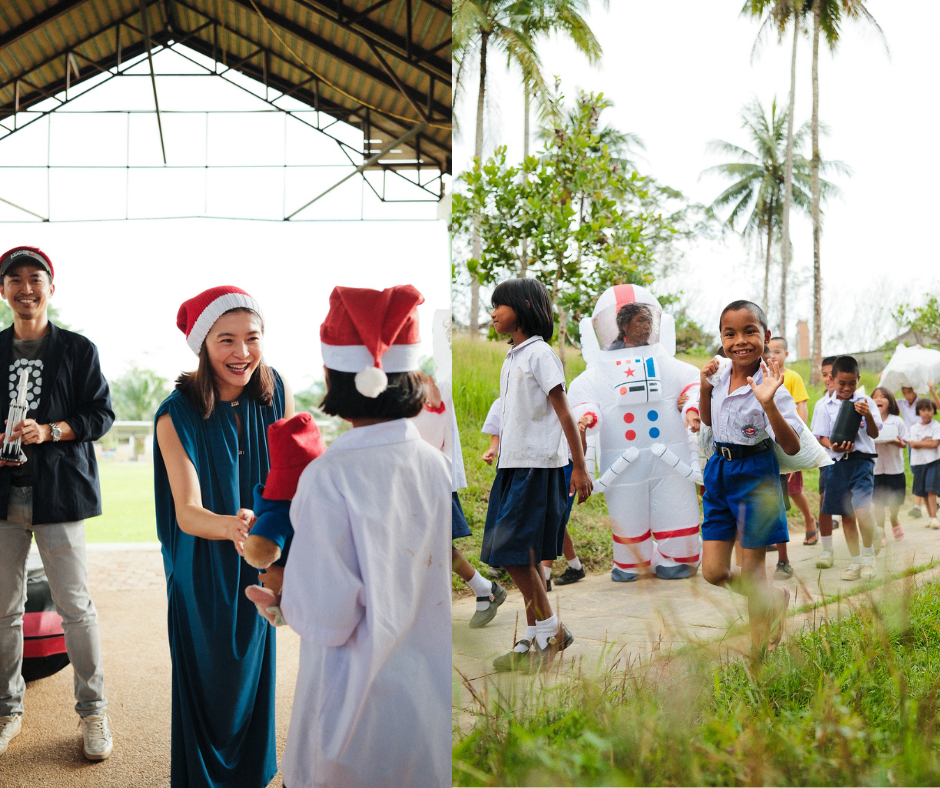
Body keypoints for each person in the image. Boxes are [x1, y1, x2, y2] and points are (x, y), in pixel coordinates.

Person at [248, 284, 451, 788]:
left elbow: (326, 614)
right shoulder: (434, 465)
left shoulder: (329, 474)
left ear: (332, 377)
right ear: (413, 380)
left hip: (353, 702)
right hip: (429, 699)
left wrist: (276, 580)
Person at [153, 285, 293, 787]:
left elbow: (290, 474)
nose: (242, 353)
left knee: (252, 684)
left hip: (259, 560)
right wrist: (237, 527)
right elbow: (188, 513)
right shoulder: (176, 413)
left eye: (251, 338)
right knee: (213, 691)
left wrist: (272, 546)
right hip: (203, 570)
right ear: (202, 345)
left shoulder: (273, 389)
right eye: (226, 340)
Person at [0, 246, 115, 761]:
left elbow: (100, 415)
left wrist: (49, 430)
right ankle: (8, 710)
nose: (26, 288)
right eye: (15, 280)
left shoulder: (77, 349)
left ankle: (93, 713)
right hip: (3, 499)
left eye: (36, 278)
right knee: (3, 612)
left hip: (59, 495)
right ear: (3, 291)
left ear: (51, 287)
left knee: (76, 609)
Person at [482, 277, 592, 673]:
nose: (492, 312)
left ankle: (549, 631)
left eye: (499, 305)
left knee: (515, 553)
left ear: (524, 306)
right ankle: (537, 636)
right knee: (511, 554)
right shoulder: (513, 357)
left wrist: (578, 467)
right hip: (511, 466)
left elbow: (565, 412)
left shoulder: (541, 354)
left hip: (538, 465)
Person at [568, 285, 703, 583]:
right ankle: (631, 561)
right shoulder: (599, 369)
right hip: (622, 462)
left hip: (670, 459)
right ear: (621, 325)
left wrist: (692, 407)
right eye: (639, 320)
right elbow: (581, 397)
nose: (646, 325)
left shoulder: (665, 361)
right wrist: (586, 417)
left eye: (648, 319)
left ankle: (679, 557)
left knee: (675, 506)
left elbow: (694, 384)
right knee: (627, 512)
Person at [698, 300, 801, 657]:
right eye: (730, 333)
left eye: (749, 331)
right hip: (719, 472)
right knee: (712, 571)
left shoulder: (772, 383)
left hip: (756, 475)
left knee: (753, 568)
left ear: (765, 336)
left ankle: (761, 650)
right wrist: (704, 385)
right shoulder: (719, 373)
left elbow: (790, 444)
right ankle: (774, 599)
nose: (740, 340)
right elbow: (710, 423)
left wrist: (769, 402)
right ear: (722, 338)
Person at [414, 376, 506, 628]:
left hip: (428, 473)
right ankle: (483, 589)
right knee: (428, 545)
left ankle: (483, 590)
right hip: (415, 473)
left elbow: (435, 428)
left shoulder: (430, 378)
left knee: (434, 544)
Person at [481, 396, 589, 588]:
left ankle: (545, 575)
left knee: (552, 520)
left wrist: (579, 466)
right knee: (541, 520)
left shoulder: (557, 403)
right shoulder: (503, 401)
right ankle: (572, 566)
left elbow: (574, 437)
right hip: (514, 468)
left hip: (551, 467)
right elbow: (498, 432)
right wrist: (492, 450)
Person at [812, 355, 881, 581]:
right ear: (832, 379)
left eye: (852, 383)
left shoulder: (866, 402)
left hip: (861, 461)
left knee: (862, 510)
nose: (847, 388)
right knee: (847, 516)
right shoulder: (824, 405)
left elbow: (874, 433)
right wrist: (832, 445)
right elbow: (820, 437)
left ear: (858, 379)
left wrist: (867, 414)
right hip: (836, 463)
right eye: (842, 383)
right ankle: (856, 562)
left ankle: (869, 558)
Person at [766, 337, 817, 579]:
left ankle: (809, 521)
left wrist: (798, 439)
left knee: (793, 492)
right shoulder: (758, 376)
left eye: (777, 351)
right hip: (765, 450)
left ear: (787, 353)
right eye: (770, 352)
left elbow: (801, 408)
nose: (773, 355)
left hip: (786, 444)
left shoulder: (792, 377)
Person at [871, 387, 908, 541]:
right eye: (875, 397)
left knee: (895, 502)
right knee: (878, 503)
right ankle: (880, 531)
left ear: (890, 402)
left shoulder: (897, 421)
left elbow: (904, 443)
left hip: (895, 469)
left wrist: (896, 441)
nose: (879, 399)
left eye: (883, 396)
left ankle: (894, 518)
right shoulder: (869, 420)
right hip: (876, 469)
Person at [908, 397, 940, 528]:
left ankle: (934, 517)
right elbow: (912, 444)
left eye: (929, 410)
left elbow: (935, 444)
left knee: (931, 488)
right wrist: (927, 441)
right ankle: (930, 517)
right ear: (918, 411)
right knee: (922, 491)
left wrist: (919, 443)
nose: (926, 413)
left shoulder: (936, 425)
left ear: (934, 411)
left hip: (933, 461)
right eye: (923, 410)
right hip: (919, 462)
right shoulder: (914, 428)